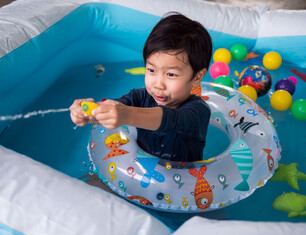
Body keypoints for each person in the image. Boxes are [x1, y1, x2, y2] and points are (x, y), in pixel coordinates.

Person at [70, 12, 212, 162]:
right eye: (151, 70)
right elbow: (116, 105)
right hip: (139, 173)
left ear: (197, 77)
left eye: (170, 74)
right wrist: (91, 110)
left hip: (183, 182)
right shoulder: (140, 97)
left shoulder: (199, 112)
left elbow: (171, 119)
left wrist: (126, 114)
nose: (158, 84)